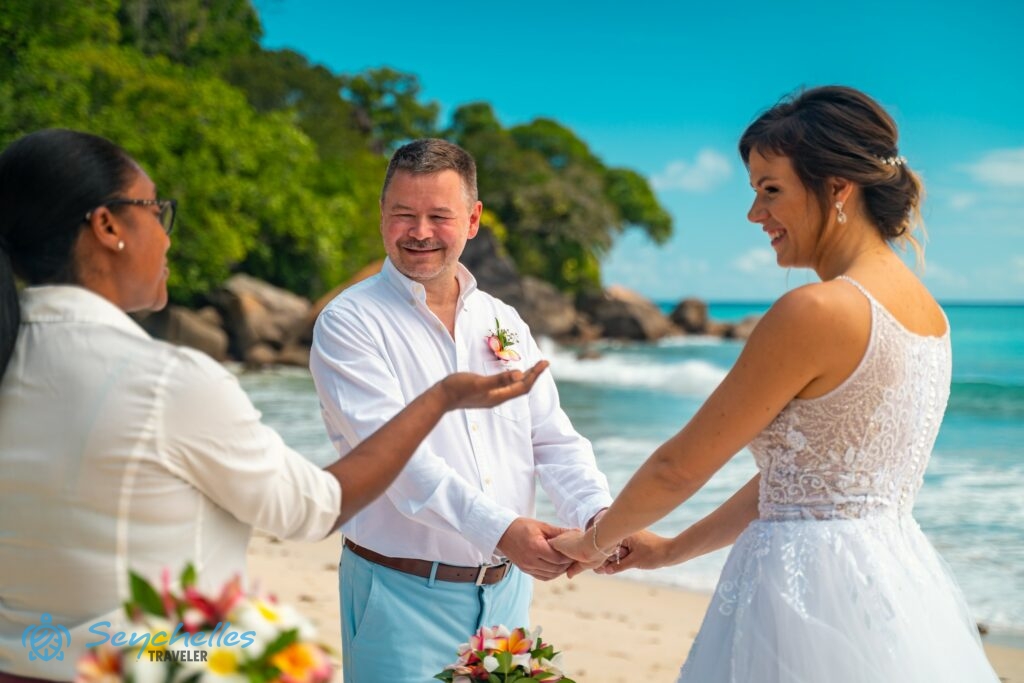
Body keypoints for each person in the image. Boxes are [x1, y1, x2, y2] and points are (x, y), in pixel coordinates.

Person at [0, 128, 547, 683]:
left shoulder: (11, 358)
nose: (167, 240)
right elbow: (309, 508)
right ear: (108, 226)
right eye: (157, 212)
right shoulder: (169, 383)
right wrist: (441, 399)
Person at [551, 86, 1000, 682]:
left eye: (771, 190)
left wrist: (594, 542)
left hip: (803, 593)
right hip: (894, 586)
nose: (755, 215)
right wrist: (668, 550)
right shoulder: (931, 317)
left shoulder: (816, 310)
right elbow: (803, 477)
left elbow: (677, 467)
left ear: (838, 188)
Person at [309, 138, 613, 681]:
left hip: (507, 596)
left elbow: (552, 438)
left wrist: (596, 517)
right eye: (403, 214)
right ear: (382, 217)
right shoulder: (348, 322)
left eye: (438, 216)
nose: (419, 232)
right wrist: (503, 531)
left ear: (472, 220)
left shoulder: (505, 320)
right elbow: (395, 462)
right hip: (398, 594)